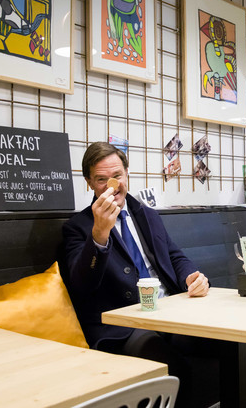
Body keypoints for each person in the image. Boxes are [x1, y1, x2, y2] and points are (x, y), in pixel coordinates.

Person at [61, 142, 210, 407]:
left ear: (127, 174)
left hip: (170, 313)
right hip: (121, 326)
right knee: (170, 365)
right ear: (88, 182)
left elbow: (174, 256)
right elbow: (81, 285)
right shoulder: (78, 227)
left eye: (117, 176)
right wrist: (99, 234)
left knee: (239, 345)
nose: (112, 186)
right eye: (101, 179)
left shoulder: (147, 214)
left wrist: (191, 276)